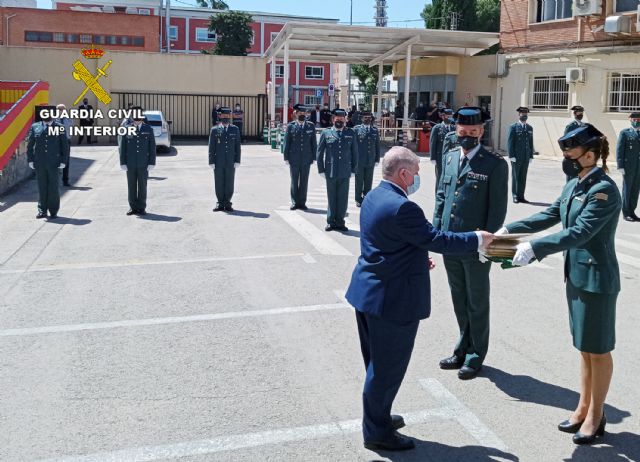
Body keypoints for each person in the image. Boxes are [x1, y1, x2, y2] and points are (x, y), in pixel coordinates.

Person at [345, 146, 494, 451]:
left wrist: (415, 257)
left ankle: (379, 416)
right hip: (392, 301)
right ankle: (377, 432)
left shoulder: (374, 196)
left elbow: (386, 241)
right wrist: (478, 238)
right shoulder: (403, 207)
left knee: (377, 365)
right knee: (386, 371)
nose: (416, 179)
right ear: (402, 173)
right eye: (415, 173)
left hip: (369, 293)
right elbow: (437, 239)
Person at [503, 124, 621, 446]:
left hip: (597, 280)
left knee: (598, 350)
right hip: (577, 276)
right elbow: (551, 214)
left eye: (571, 154)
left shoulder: (604, 190)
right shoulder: (575, 184)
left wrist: (536, 248)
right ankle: (583, 407)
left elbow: (580, 232)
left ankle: (597, 416)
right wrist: (508, 231)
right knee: (584, 348)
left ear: (590, 155)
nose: (567, 160)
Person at [433, 107, 509, 380]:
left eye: (473, 132)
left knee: (477, 301)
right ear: (456, 130)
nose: (467, 136)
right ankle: (462, 348)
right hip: (450, 241)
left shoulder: (495, 164)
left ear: (482, 131)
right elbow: (441, 198)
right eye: (463, 131)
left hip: (477, 244)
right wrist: (435, 234)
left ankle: (476, 355)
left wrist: (489, 244)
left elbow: (497, 211)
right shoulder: (450, 156)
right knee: (458, 298)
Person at [317, 108, 358, 232]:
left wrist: (353, 170)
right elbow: (319, 153)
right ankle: (330, 221)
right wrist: (321, 170)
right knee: (331, 197)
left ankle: (340, 222)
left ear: (345, 120)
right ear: (333, 119)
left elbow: (355, 153)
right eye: (337, 119)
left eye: (342, 119)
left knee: (343, 198)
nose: (339, 121)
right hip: (330, 170)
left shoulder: (351, 133)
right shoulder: (326, 133)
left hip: (345, 171)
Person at [27, 105, 70, 220]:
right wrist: (30, 159)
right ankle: (42, 210)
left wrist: (63, 161)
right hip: (40, 162)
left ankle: (53, 210)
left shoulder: (59, 127)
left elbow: (64, 146)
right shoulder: (35, 127)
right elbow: (30, 145)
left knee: (53, 187)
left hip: (54, 163)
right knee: (42, 187)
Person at [119, 107, 156, 216]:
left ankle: (141, 207)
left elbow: (152, 147)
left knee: (142, 186)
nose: (137, 120)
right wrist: (122, 162)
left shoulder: (148, 129)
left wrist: (151, 162)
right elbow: (123, 146)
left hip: (143, 163)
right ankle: (132, 207)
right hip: (130, 163)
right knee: (131, 186)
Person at [284, 104, 317, 210]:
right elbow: (287, 142)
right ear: (296, 114)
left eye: (304, 113)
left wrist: (314, 157)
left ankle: (302, 202)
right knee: (294, 180)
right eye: (300, 113)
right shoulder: (291, 126)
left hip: (306, 158)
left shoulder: (311, 126)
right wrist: (286, 157)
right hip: (294, 158)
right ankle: (294, 202)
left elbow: (314, 143)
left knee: (304, 180)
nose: (302, 115)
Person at [209, 107, 241, 212]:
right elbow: (211, 146)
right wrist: (211, 161)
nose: (226, 118)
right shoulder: (214, 130)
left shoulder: (235, 129)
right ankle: (219, 203)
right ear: (220, 116)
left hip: (231, 161)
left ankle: (227, 203)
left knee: (229, 182)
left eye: (227, 116)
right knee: (219, 182)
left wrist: (237, 160)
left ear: (230, 117)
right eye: (224, 116)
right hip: (218, 161)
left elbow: (237, 146)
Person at [507, 106, 535, 203]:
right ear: (519, 114)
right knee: (515, 176)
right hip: (516, 156)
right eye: (522, 114)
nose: (524, 115)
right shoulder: (513, 127)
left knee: (523, 176)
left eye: (526, 114)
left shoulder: (529, 128)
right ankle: (515, 195)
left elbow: (531, 143)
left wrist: (531, 155)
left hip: (526, 157)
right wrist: (511, 156)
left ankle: (521, 196)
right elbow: (510, 142)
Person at [616, 112, 640, 222]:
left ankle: (632, 211)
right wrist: (620, 165)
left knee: (635, 190)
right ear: (630, 120)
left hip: (638, 167)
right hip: (628, 166)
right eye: (634, 119)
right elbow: (620, 150)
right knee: (627, 189)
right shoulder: (625, 133)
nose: (636, 122)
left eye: (638, 120)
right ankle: (626, 213)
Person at [353, 111, 380, 207]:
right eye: (365, 118)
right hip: (359, 161)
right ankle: (358, 199)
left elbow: (377, 146)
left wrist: (377, 159)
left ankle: (367, 198)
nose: (367, 119)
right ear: (362, 119)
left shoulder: (374, 130)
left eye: (369, 117)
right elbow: (353, 146)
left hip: (370, 160)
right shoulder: (356, 130)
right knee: (359, 181)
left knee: (369, 181)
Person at [429, 108, 455, 187]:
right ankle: (438, 196)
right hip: (440, 157)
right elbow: (432, 143)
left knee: (450, 177)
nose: (449, 118)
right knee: (440, 177)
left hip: (451, 157)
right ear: (443, 117)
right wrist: (433, 158)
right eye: (447, 116)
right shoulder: (437, 128)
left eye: (451, 116)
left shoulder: (454, 128)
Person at [565, 106, 586, 182]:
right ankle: (569, 193)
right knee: (571, 176)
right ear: (574, 114)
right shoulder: (571, 126)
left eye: (582, 113)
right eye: (579, 112)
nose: (580, 114)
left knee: (579, 176)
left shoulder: (584, 126)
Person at [55, 103, 73, 187]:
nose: (62, 111)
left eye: (63, 109)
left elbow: (69, 127)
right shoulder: (54, 120)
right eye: (60, 109)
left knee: (66, 161)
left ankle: (65, 180)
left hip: (66, 141)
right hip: (57, 142)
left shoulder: (68, 119)